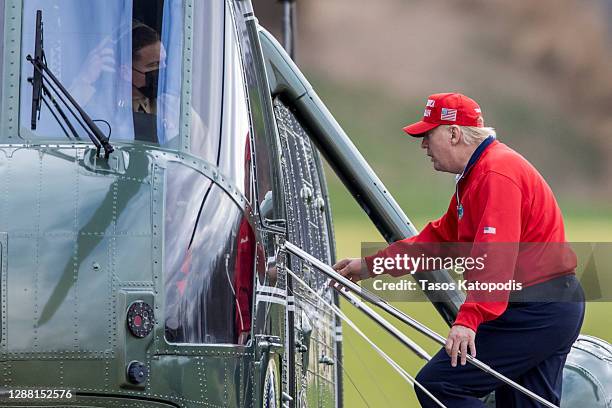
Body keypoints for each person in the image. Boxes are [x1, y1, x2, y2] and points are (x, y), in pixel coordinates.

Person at [333, 93, 585, 407]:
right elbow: (437, 242)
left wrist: (468, 320)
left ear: (454, 133)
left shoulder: (495, 173)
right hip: (545, 306)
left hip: (538, 309)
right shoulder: (478, 174)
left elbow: (495, 257)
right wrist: (370, 266)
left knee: (437, 385)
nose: (423, 144)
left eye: (428, 134)